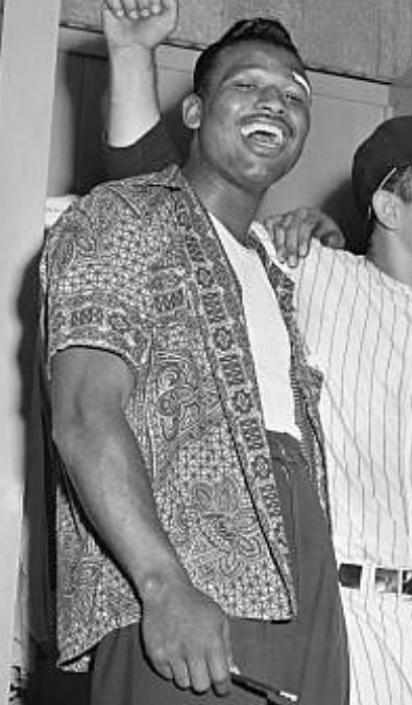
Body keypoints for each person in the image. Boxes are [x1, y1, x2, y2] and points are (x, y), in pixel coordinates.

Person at [98, 4, 412, 703]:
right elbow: (159, 208)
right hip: (364, 610)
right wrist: (133, 61)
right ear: (388, 206)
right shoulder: (306, 274)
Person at [42, 13, 349, 705]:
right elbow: (86, 413)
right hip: (187, 588)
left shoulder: (272, 268)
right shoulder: (123, 215)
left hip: (303, 580)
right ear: (195, 109)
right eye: (247, 85)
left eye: (295, 93)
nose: (275, 101)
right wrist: (163, 584)